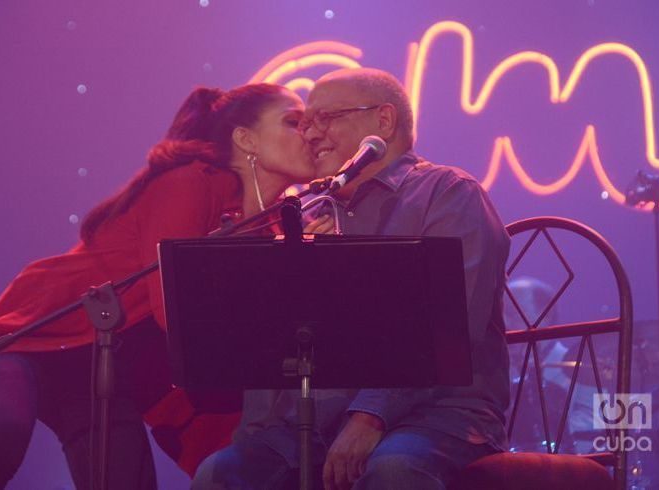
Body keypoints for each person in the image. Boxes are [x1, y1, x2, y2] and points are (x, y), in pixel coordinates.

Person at [0, 83, 318, 490]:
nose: (310, 134)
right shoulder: (189, 183)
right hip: (26, 339)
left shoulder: (278, 224)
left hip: (97, 372)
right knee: (2, 433)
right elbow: (173, 312)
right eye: (293, 121)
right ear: (245, 139)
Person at [193, 68, 511, 490]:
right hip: (318, 425)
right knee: (221, 474)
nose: (310, 133)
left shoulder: (449, 194)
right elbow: (283, 341)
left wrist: (369, 416)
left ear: (383, 121)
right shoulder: (311, 214)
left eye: (327, 118)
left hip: (439, 415)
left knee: (392, 469)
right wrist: (256, 439)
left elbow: (445, 326)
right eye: (305, 122)